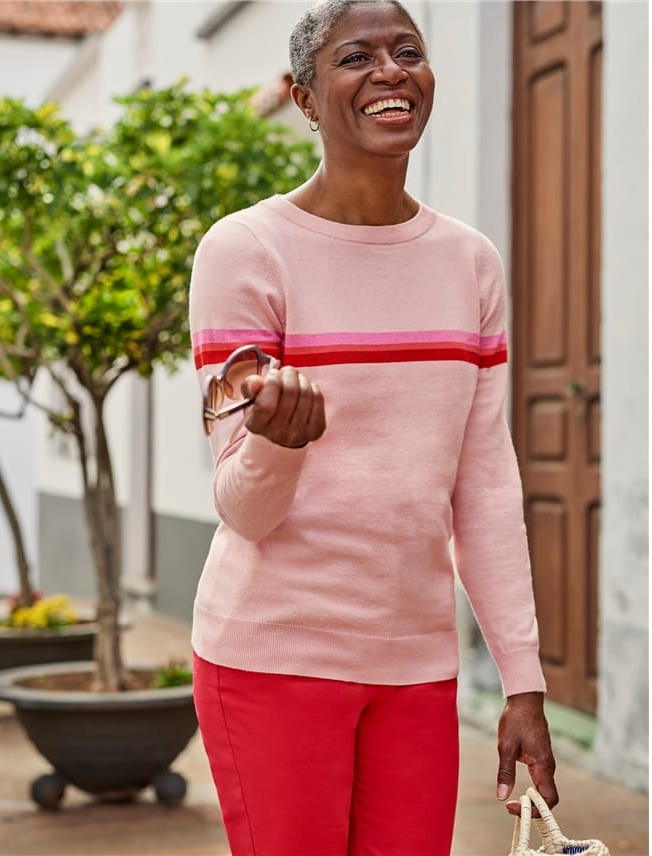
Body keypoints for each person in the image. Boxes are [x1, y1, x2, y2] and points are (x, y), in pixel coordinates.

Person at [188, 1, 558, 853]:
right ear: (305, 99)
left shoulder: (468, 261)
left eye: (408, 52)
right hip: (272, 655)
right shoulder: (246, 250)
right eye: (356, 57)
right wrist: (279, 446)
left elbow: (485, 486)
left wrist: (521, 682)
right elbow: (244, 511)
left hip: (415, 663)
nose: (390, 71)